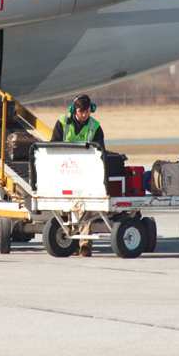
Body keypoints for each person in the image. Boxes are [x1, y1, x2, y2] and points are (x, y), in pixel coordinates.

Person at [50, 94, 105, 256]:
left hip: (86, 174)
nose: (84, 115)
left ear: (91, 110)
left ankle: (85, 243)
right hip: (64, 172)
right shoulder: (62, 122)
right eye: (81, 112)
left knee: (87, 205)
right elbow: (53, 146)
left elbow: (100, 152)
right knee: (67, 208)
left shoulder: (95, 126)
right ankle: (72, 242)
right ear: (74, 110)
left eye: (87, 112)